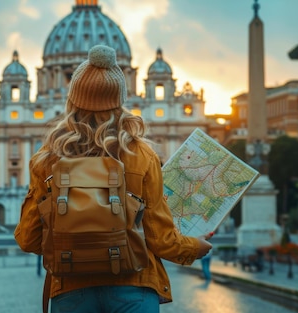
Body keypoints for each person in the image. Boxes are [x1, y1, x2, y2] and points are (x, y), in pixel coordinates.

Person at [14, 44, 213, 313]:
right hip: (134, 284)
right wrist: (195, 247)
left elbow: (28, 239)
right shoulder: (142, 154)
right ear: (120, 100)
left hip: (72, 289)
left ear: (72, 99)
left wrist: (74, 243)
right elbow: (161, 240)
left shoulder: (46, 159)